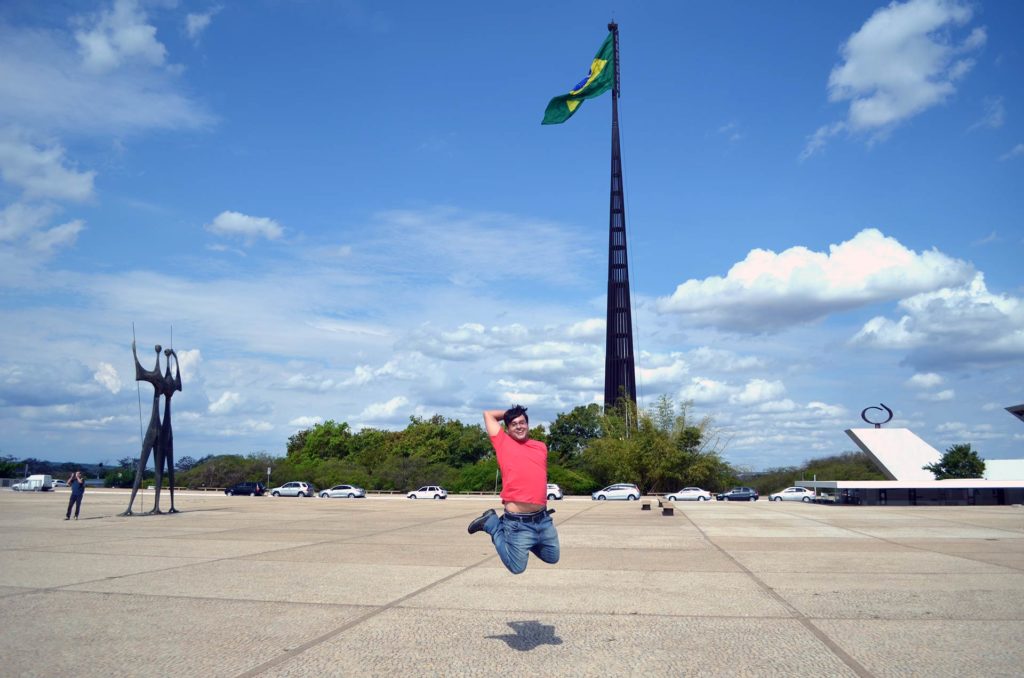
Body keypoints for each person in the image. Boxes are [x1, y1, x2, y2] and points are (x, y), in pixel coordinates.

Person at [467, 405, 559, 574]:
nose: (519, 426)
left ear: (528, 425)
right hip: (518, 523)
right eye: (514, 424)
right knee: (517, 568)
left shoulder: (541, 447)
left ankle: (527, 542)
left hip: (543, 520)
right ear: (507, 429)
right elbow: (488, 414)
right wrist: (510, 413)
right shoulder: (503, 443)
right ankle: (492, 524)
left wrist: (516, 415)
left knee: (552, 557)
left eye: (522, 422)